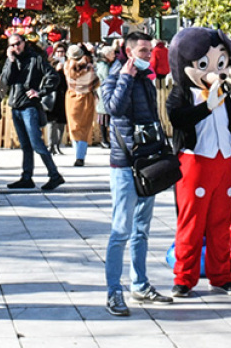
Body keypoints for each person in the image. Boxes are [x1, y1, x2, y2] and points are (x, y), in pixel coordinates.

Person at [167, 27, 231, 298]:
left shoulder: (224, 95)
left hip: (224, 163)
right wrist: (207, 107)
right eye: (205, 64)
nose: (216, 70)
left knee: (221, 224)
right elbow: (178, 119)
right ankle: (184, 278)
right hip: (195, 163)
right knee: (191, 224)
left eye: (220, 62)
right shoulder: (180, 94)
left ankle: (221, 276)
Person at [101, 32, 173, 315]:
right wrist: (125, 78)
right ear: (129, 52)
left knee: (141, 230)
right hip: (124, 165)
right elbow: (113, 108)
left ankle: (140, 285)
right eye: (143, 51)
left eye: (149, 51)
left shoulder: (146, 80)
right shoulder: (115, 77)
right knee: (121, 231)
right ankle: (113, 292)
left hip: (148, 163)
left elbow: (153, 118)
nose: (148, 56)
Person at [1, 34, 65, 191]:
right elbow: (6, 80)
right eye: (12, 45)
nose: (16, 47)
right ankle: (27, 177)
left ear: (24, 43)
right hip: (16, 105)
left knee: (37, 143)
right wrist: (10, 60)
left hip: (29, 106)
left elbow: (53, 76)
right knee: (25, 145)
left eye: (18, 43)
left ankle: (55, 175)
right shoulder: (12, 60)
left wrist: (40, 92)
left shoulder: (35, 59)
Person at [64, 45, 98, 167]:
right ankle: (80, 156)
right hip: (86, 97)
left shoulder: (66, 67)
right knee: (85, 127)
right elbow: (96, 83)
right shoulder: (89, 68)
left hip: (71, 96)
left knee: (73, 126)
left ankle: (77, 152)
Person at [94, 46, 116, 148]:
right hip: (104, 93)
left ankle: (106, 139)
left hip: (103, 92)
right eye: (112, 53)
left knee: (105, 117)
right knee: (104, 117)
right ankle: (104, 139)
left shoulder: (103, 64)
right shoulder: (104, 66)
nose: (114, 55)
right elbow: (107, 79)